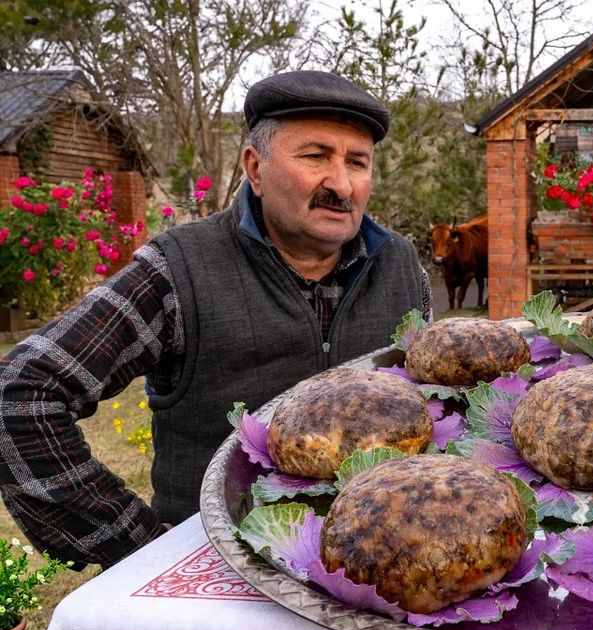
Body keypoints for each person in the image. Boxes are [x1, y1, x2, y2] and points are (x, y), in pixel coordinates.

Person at [0, 71, 431, 569]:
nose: (340, 183)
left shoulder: (402, 267)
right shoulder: (178, 270)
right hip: (217, 573)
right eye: (315, 157)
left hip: (377, 567)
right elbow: (21, 394)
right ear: (255, 167)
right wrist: (135, 546)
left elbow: (435, 410)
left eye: (357, 162)